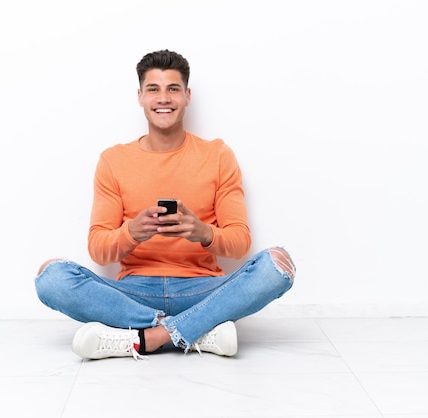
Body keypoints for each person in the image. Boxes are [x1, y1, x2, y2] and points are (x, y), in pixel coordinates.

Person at [34, 49, 295, 360]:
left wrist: (203, 233)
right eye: (153, 89)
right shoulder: (114, 160)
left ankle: (150, 337)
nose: (163, 99)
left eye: (173, 89)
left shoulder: (217, 155)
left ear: (186, 96)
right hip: (133, 293)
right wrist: (132, 232)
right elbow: (98, 250)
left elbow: (240, 244)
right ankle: (196, 331)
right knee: (50, 277)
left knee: (278, 265)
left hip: (201, 291)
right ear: (140, 97)